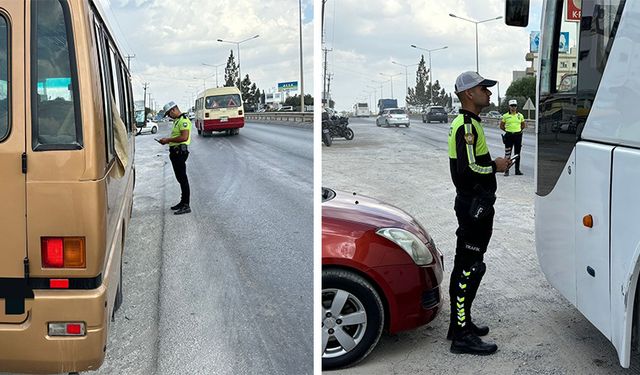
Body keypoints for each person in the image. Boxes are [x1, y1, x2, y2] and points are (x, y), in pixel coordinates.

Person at [447, 71, 511, 355]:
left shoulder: (470, 123)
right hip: (474, 206)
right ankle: (461, 336)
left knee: (468, 264)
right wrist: (496, 166)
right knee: (469, 268)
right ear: (469, 94)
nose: (489, 92)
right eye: (483, 88)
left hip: (476, 205)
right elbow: (468, 168)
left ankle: (460, 324)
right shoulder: (466, 126)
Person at [158, 101, 192, 215]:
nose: (168, 116)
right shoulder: (177, 121)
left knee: (183, 179)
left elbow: (184, 137)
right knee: (180, 179)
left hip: (179, 153)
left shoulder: (183, 121)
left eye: (168, 113)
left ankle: (186, 205)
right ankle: (182, 202)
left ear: (173, 110)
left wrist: (167, 140)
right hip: (175, 152)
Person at [500, 99, 526, 176]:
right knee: (508, 154)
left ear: (516, 107)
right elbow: (501, 126)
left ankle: (517, 170)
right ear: (509, 106)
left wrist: (518, 131)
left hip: (518, 136)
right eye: (512, 106)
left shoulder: (520, 115)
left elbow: (523, 125)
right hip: (509, 136)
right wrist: (508, 131)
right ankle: (506, 170)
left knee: (517, 154)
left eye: (514, 106)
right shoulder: (505, 116)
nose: (513, 107)